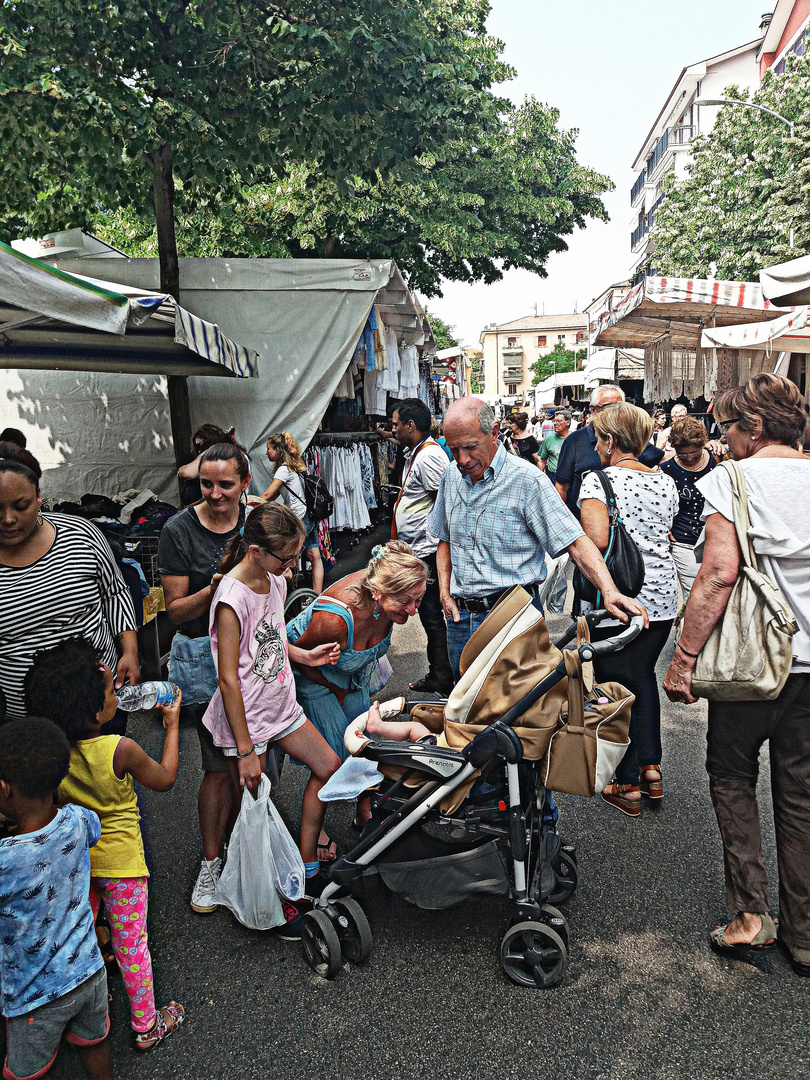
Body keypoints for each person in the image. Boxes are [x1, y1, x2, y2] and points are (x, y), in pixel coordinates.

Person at [662, 374, 810, 974]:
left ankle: (751, 915)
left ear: (754, 428)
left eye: (727, 427)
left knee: (730, 776)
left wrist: (683, 658)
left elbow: (718, 574)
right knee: (801, 796)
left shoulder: (732, 479)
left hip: (753, 666)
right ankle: (804, 932)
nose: (722, 439)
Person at [25, 639, 185, 1051]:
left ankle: (90, 1005)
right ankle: (147, 1024)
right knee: (133, 946)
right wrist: (171, 727)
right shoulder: (120, 749)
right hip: (122, 865)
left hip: (76, 862)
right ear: (95, 711)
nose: (118, 694)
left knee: (86, 933)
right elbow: (165, 778)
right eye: (112, 692)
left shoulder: (52, 755)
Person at [428, 397, 648, 679]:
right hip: (461, 619)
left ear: (494, 432)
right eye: (454, 449)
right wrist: (445, 591)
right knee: (468, 713)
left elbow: (575, 541)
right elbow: (443, 538)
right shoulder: (450, 475)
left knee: (519, 713)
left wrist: (609, 590)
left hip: (513, 617)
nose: (462, 459)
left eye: (470, 447)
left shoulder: (527, 480)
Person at [203, 502, 341, 930]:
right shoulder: (230, 597)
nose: (293, 566)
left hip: (281, 708)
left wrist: (304, 654)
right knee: (253, 812)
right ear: (255, 551)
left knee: (329, 767)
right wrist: (245, 750)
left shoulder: (274, 580)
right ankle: (258, 897)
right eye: (287, 557)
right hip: (247, 721)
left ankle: (302, 868)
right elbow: (228, 679)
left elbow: (273, 639)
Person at [158, 442, 249, 915]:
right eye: (206, 484)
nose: (215, 494)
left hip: (257, 661)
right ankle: (212, 861)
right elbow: (173, 612)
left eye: (225, 485)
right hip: (208, 663)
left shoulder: (257, 522)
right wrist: (213, 590)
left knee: (256, 764)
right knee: (217, 766)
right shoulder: (178, 530)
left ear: (244, 485)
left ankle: (247, 850)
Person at [578, 403, 678, 816]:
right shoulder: (665, 481)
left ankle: (628, 781)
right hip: (663, 599)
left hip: (618, 599)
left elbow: (596, 543)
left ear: (611, 441)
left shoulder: (597, 481)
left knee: (616, 687)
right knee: (643, 678)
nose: (597, 445)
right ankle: (651, 768)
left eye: (600, 438)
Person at [0, 717, 113, 1080]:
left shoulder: (5, 860)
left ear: (4, 789)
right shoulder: (78, 821)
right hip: (89, 973)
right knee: (95, 1043)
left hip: (34, 997)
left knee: (24, 1073)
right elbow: (94, 830)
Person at [286, 541, 429, 828]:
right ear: (376, 593)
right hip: (315, 678)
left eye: (419, 600)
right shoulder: (334, 619)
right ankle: (314, 836)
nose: (413, 611)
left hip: (351, 676)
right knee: (332, 761)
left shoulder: (388, 601)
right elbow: (298, 660)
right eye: (405, 602)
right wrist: (338, 690)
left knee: (365, 747)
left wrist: (351, 686)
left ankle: (365, 814)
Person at [0, 453, 138, 723]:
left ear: (38, 496)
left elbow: (115, 592)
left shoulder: (81, 534)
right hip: (28, 724)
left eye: (20, 505)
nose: (7, 519)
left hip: (100, 704)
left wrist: (130, 651)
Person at [391, 399, 453, 695]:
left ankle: (443, 676)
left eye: (396, 425)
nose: (393, 430)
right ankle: (441, 673)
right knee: (430, 617)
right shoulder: (417, 454)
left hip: (428, 550)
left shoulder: (428, 457)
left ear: (410, 426)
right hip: (420, 548)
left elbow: (447, 503)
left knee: (432, 616)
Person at [554, 385, 663, 519]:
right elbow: (561, 486)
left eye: (619, 406)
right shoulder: (574, 441)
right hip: (583, 521)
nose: (615, 412)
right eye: (608, 407)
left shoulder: (630, 438)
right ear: (593, 409)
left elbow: (662, 461)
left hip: (626, 522)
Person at [259, 431, 324, 594]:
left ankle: (286, 593)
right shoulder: (295, 466)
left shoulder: (283, 469)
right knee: (314, 555)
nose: (266, 452)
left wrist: (249, 504)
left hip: (300, 519)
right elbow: (271, 497)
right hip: (309, 515)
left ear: (278, 450)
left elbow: (266, 495)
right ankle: (316, 596)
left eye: (268, 449)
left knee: (287, 558)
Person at [660, 416, 718, 600]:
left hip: (715, 538)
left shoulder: (716, 460)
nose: (689, 458)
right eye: (683, 454)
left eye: (694, 452)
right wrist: (664, 528)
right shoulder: (667, 469)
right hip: (683, 541)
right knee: (694, 595)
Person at [176, 424, 237, 505]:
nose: (199, 451)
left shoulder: (214, 455)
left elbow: (186, 473)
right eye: (197, 447)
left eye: (201, 446)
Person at [538, 409, 571, 484]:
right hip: (553, 477)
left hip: (570, 477)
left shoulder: (574, 438)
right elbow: (542, 460)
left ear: (567, 422)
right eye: (554, 421)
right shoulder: (548, 440)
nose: (555, 424)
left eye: (559, 421)